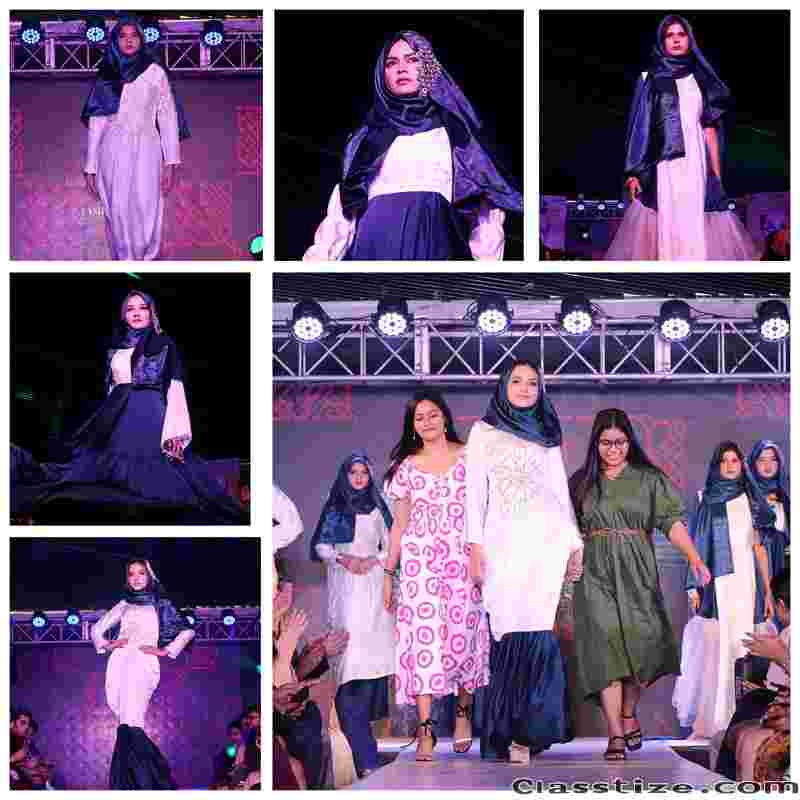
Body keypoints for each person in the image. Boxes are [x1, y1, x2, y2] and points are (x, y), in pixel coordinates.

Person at [10, 290, 248, 524]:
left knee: (160, 481)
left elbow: (175, 387)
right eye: (130, 309)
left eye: (142, 308)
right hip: (118, 414)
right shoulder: (116, 347)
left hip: (150, 411)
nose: (136, 313)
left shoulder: (164, 342)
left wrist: (176, 432)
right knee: (90, 476)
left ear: (151, 312)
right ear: (123, 315)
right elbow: (112, 388)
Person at [303, 30, 522, 261]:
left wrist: (488, 268)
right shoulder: (366, 138)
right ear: (382, 74)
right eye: (391, 63)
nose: (401, 68)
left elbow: (483, 215)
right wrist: (315, 265)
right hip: (373, 248)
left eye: (412, 59)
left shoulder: (455, 135)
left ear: (428, 68)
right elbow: (343, 214)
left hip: (433, 246)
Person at [569, 408, 711, 761]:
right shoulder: (582, 481)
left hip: (637, 571)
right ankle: (615, 734)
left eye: (620, 442)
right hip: (594, 573)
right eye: (606, 442)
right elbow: (564, 530)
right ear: (595, 443)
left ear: (629, 442)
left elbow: (671, 521)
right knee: (605, 650)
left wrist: (694, 557)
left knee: (644, 644)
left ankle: (629, 711)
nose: (613, 449)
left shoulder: (649, 479)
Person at [465, 361, 583, 764]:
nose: (525, 388)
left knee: (537, 630)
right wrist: (475, 547)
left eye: (533, 382)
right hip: (501, 542)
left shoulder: (547, 431)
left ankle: (526, 735)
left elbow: (559, 491)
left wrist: (574, 542)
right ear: (503, 386)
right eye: (516, 381)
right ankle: (504, 731)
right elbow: (474, 495)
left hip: (545, 542)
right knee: (506, 630)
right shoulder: (483, 432)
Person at [384, 389, 490, 761]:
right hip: (420, 565)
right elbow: (399, 525)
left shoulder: (470, 457)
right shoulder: (405, 468)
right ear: (412, 426)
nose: (427, 421)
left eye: (432, 414)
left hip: (463, 560)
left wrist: (480, 557)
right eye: (419, 417)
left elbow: (484, 512)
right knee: (424, 642)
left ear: (444, 417)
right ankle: (425, 728)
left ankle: (463, 712)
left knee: (464, 636)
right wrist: (388, 573)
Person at [605, 15, 760, 261]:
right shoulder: (649, 78)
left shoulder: (701, 79)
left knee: (695, 225)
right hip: (664, 163)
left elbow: (709, 129)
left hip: (696, 162)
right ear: (662, 41)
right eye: (670, 35)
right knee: (668, 225)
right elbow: (639, 126)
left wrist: (716, 177)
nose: (676, 40)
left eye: (681, 34)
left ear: (689, 39)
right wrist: (634, 171)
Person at [673, 442, 776, 740]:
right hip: (719, 584)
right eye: (724, 460)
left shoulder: (751, 499)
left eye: (735, 460)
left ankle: (745, 719)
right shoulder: (707, 500)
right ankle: (715, 720)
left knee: (744, 647)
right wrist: (692, 584)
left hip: (747, 583)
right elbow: (696, 543)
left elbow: (759, 549)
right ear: (717, 465)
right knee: (717, 649)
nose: (730, 466)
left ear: (742, 464)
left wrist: (768, 591)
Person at [310, 451, 395, 778]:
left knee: (370, 671)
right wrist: (345, 559)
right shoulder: (335, 505)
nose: (359, 478)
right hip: (346, 590)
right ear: (345, 476)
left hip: (373, 590)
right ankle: (365, 756)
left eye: (363, 472)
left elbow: (392, 545)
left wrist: (373, 560)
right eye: (353, 472)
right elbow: (322, 547)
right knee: (349, 669)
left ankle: (366, 754)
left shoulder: (379, 505)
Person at [81, 16, 190, 260]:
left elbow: (167, 117)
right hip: (113, 146)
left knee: (146, 205)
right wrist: (90, 166)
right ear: (115, 41)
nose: (129, 41)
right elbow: (97, 122)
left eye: (134, 35)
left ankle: (145, 259)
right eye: (123, 36)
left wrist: (171, 162)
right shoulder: (107, 73)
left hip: (148, 145)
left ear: (141, 39)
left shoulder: (155, 73)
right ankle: (126, 261)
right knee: (118, 209)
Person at [90, 559, 195, 789]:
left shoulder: (161, 602)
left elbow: (187, 631)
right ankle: (139, 783)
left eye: (141, 573)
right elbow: (96, 629)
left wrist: (165, 650)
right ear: (127, 578)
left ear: (149, 576)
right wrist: (108, 645)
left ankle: (144, 783)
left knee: (131, 721)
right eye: (131, 574)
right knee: (125, 721)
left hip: (142, 662)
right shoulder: (124, 604)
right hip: (119, 661)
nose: (136, 578)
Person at [715, 568, 790, 780]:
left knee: (753, 703)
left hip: (783, 707)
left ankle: (723, 779)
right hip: (781, 701)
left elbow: (780, 682)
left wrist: (781, 657)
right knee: (752, 703)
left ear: (780, 605)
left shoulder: (789, 634)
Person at [748, 440, 790, 586]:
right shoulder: (746, 494)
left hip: (785, 563)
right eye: (762, 460)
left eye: (773, 459)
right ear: (753, 463)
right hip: (754, 563)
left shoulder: (788, 491)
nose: (768, 465)